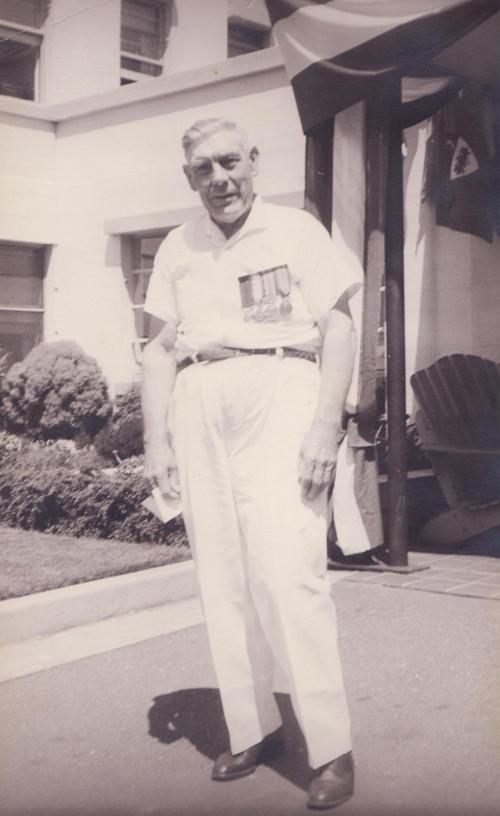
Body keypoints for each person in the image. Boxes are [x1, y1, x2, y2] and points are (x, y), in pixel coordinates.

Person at [141, 118, 363, 810]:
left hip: (282, 391)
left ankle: (330, 748)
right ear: (189, 178)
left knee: (290, 574)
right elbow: (158, 349)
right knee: (223, 575)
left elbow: (339, 328)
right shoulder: (177, 246)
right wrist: (156, 442)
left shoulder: (296, 231)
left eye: (230, 162)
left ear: (254, 161)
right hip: (200, 401)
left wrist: (326, 425)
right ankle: (252, 727)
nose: (220, 179)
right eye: (203, 169)